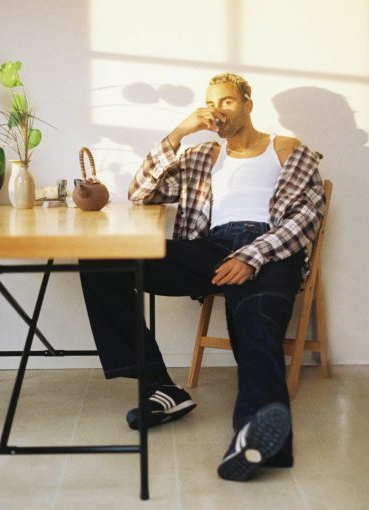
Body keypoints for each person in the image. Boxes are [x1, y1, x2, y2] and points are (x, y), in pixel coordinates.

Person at [80, 73, 325, 481]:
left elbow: (306, 217)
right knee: (101, 259)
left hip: (271, 251)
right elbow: (140, 193)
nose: (218, 111)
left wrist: (253, 255)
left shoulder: (285, 148)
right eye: (211, 104)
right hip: (211, 249)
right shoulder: (203, 155)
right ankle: (161, 388)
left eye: (227, 101)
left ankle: (253, 437)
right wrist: (179, 133)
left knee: (257, 329)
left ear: (248, 103)